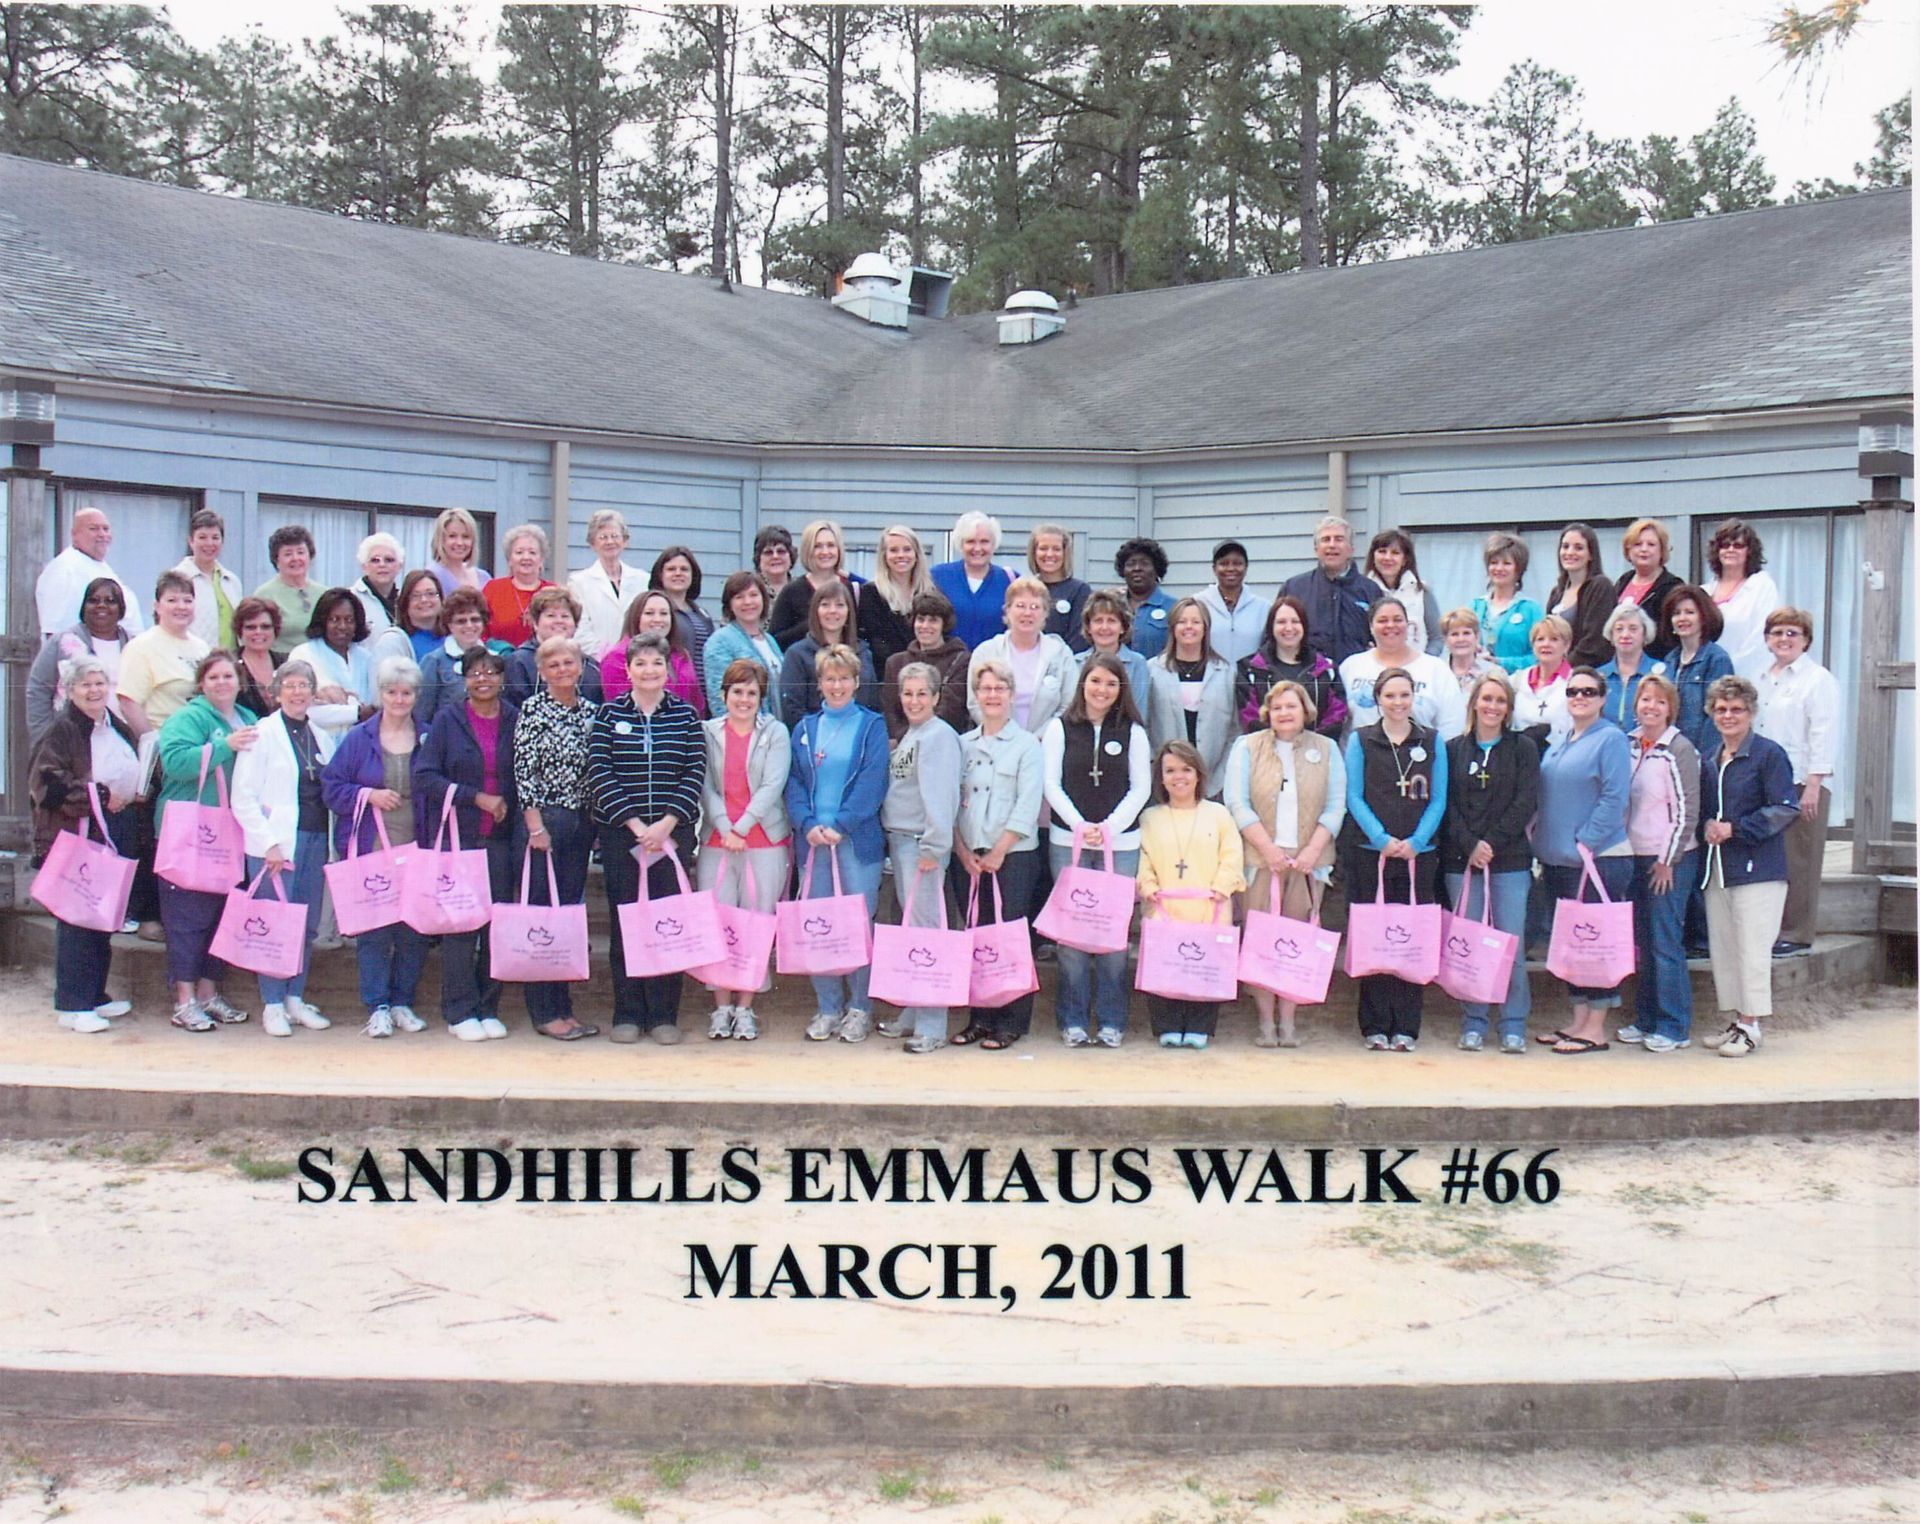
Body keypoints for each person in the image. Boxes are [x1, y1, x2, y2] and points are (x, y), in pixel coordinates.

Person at [587, 633, 705, 1043]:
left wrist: (667, 824)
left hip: (671, 838)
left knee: (667, 924)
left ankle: (663, 1015)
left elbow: (694, 774)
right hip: (624, 837)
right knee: (627, 925)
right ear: (628, 669)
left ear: (668, 670)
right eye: (641, 663)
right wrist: (637, 827)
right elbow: (600, 772)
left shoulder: (686, 717)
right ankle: (628, 1012)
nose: (649, 670)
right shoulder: (608, 715)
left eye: (657, 663)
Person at [1224, 680, 1346, 1048]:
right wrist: (1268, 848)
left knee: (1297, 942)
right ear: (1267, 713)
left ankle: (1289, 1022)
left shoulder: (1326, 749)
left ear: (1305, 709)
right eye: (1277, 708)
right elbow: (1237, 802)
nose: (1284, 713)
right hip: (1261, 861)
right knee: (1261, 942)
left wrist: (1311, 851)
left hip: (1309, 862)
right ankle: (1264, 1022)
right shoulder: (1247, 747)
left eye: (1291, 706)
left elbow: (1335, 805)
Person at [29, 654, 144, 1033]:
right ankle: (73, 1004)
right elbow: (45, 784)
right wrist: (99, 794)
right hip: (79, 834)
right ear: (69, 690)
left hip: (116, 827)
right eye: (85, 684)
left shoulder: (115, 725)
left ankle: (95, 995)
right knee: (77, 918)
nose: (94, 690)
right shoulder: (62, 730)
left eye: (99, 683)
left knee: (101, 916)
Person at [1042, 655, 1151, 1047]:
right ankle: (1072, 1019)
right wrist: (1079, 826)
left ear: (1120, 688)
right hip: (1068, 842)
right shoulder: (1059, 727)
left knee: (1112, 934)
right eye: (1095, 682)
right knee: (1070, 936)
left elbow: (1141, 788)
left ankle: (1112, 1020)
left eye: (1110, 683)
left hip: (1119, 845)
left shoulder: (1133, 731)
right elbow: (1051, 784)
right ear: (1082, 684)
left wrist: (1109, 829)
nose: (1101, 690)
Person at [321, 657, 431, 1039]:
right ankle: (378, 1006)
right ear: (380, 694)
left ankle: (402, 1001)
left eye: (406, 692)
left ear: (416, 695)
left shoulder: (427, 736)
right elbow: (332, 786)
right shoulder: (359, 737)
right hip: (371, 846)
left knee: (413, 929)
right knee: (375, 930)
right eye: (391, 692)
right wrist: (367, 794)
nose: (399, 699)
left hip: (417, 845)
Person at [785, 644, 891, 1041]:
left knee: (858, 925)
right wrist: (807, 822)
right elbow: (793, 781)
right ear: (820, 683)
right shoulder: (805, 729)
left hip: (854, 841)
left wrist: (842, 824)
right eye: (829, 678)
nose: (837, 685)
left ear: (856, 682)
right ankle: (828, 1007)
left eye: (844, 678)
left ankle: (860, 1007)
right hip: (812, 843)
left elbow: (873, 780)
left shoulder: (872, 726)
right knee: (820, 927)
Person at [1340, 668, 1447, 1052]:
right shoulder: (1362, 740)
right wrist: (1381, 838)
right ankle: (1374, 1025)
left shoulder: (1432, 741)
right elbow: (1354, 796)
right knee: (1375, 939)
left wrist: (1418, 840)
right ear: (1378, 699)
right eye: (1390, 696)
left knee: (1410, 939)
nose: (1398, 703)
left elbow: (1439, 798)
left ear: (1413, 698)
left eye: (1405, 695)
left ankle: (1406, 1025)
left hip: (1420, 855)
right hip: (1373, 855)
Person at [416, 648, 518, 1041]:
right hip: (462, 838)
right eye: (475, 672)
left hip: (504, 840)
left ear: (502, 678)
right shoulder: (448, 720)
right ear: (464, 678)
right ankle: (459, 1010)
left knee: (496, 926)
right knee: (461, 927)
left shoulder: (514, 717)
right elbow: (425, 776)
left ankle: (488, 1006)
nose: (484, 679)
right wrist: (474, 797)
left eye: (491, 672)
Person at [230, 661, 336, 1037]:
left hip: (314, 839)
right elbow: (242, 797)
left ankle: (295, 996)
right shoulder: (262, 733)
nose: (297, 692)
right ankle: (272, 1003)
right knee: (274, 925)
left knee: (305, 925)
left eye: (304, 685)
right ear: (276, 692)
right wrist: (267, 843)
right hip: (275, 846)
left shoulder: (321, 736)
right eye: (289, 685)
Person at [155, 651, 259, 1031]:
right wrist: (224, 746)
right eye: (213, 677)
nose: (221, 683)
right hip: (191, 836)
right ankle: (183, 1001)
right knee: (187, 919)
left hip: (231, 834)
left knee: (222, 918)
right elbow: (176, 762)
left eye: (228, 676)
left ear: (239, 680)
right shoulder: (188, 718)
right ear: (201, 683)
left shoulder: (249, 718)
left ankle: (208, 994)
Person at [1531, 666, 1633, 1054]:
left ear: (1603, 698)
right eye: (1573, 691)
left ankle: (1596, 1027)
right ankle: (1578, 1020)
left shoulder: (1611, 739)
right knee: (1574, 946)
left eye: (1589, 692)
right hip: (1560, 863)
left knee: (1596, 944)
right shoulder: (1561, 741)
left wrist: (1585, 842)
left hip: (1598, 861)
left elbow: (1614, 797)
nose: (1580, 697)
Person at [1696, 675, 1798, 1059]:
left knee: (1753, 949)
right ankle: (1739, 1021)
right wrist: (1707, 825)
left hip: (1760, 870)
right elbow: (1708, 811)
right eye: (1721, 709)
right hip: (1719, 869)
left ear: (1751, 712)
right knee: (1726, 949)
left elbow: (1784, 808)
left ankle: (1753, 1025)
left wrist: (1735, 829)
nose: (1728, 715)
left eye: (1736, 708)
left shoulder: (1769, 754)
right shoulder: (1710, 757)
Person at [1440, 673, 1538, 1055]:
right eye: (1486, 699)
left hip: (1508, 860)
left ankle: (1513, 1022)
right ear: (1474, 704)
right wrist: (1470, 844)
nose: (1492, 707)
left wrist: (1491, 843)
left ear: (1509, 709)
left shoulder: (1523, 748)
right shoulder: (1453, 749)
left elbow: (1525, 801)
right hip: (1462, 861)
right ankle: (1474, 1020)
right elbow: (1446, 805)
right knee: (1471, 946)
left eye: (1500, 701)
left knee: (1510, 944)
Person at [951, 658, 1045, 1050]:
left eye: (1000, 689)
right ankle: (980, 1017)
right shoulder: (962, 745)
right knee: (977, 936)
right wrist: (961, 850)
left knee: (1010, 936)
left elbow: (1027, 803)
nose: (992, 695)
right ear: (977, 696)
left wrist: (1000, 850)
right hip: (968, 858)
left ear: (1011, 695)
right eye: (986, 689)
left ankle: (1011, 1020)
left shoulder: (1026, 745)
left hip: (1013, 857)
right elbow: (950, 802)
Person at [698, 658, 792, 1042]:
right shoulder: (706, 732)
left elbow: (774, 784)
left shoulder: (776, 733)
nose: (744, 699)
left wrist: (743, 826)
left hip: (763, 841)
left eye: (752, 693)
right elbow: (703, 784)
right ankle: (720, 1007)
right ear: (724, 695)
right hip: (717, 843)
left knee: (755, 924)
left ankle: (745, 1007)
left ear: (761, 698)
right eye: (737, 691)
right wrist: (725, 826)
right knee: (717, 925)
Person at [512, 635, 601, 1041]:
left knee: (565, 917)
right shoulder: (532, 710)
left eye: (570, 662)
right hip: (547, 823)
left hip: (581, 824)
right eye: (554, 665)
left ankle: (564, 1007)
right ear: (542, 671)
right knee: (543, 918)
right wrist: (535, 827)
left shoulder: (591, 712)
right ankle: (545, 1010)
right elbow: (524, 772)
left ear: (580, 666)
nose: (563, 670)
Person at [1137, 740, 1243, 1049]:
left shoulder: (1218, 814)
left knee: (1203, 963)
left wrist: (1222, 887)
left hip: (1209, 904)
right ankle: (1167, 1025)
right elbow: (1142, 856)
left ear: (1198, 775)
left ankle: (1199, 1025)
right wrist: (1148, 885)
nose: (1178, 777)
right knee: (1166, 963)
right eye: (1170, 771)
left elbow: (1232, 854)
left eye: (1186, 769)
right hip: (1165, 904)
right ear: (1160, 777)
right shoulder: (1150, 817)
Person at [881, 663, 965, 1054]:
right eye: (907, 693)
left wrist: (934, 846)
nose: (913, 701)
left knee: (928, 933)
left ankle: (932, 1023)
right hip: (902, 841)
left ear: (935, 697)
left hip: (920, 844)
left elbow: (940, 795)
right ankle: (914, 1010)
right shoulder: (915, 734)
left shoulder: (938, 737)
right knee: (913, 930)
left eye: (921, 694)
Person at [1619, 674, 1701, 1054]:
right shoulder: (1629, 743)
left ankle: (1674, 1024)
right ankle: (1646, 1018)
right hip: (1633, 854)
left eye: (1659, 702)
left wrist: (1669, 860)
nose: (1650, 707)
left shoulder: (1679, 749)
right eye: (1645, 700)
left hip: (1669, 858)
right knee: (1643, 941)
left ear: (1671, 708)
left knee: (1665, 941)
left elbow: (1687, 811)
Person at [1755, 606, 1840, 957]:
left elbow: (1824, 734)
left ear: (1806, 640)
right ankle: (1769, 930)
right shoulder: (1760, 677)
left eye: (1793, 633)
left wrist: (1814, 785)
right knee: (1770, 859)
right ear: (1766, 639)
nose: (1784, 639)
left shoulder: (1817, 680)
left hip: (1802, 782)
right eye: (1778, 633)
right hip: (1765, 780)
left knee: (1799, 860)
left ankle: (1796, 932)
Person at [1143, 597, 1235, 797]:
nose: (1189, 627)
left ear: (1205, 628)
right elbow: (1145, 723)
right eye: (1182, 622)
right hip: (1165, 782)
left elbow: (1234, 730)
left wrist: (1221, 776)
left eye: (1195, 621)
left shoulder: (1226, 672)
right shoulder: (1152, 670)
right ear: (1173, 628)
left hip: (1215, 782)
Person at [1338, 598, 1466, 740]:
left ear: (1408, 625)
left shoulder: (1436, 669)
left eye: (1398, 620)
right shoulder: (1350, 667)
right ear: (1371, 627)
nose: (1391, 625)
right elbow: (1339, 721)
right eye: (1383, 620)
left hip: (1419, 758)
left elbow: (1452, 726)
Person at [27, 577, 135, 745]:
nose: (101, 605)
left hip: (122, 739)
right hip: (71, 742)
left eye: (110, 601)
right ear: (83, 607)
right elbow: (38, 690)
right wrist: (44, 740)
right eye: (93, 600)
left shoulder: (134, 645)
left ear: (121, 608)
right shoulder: (62, 642)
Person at [968, 576, 1078, 735]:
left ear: (1045, 613)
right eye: (1020, 606)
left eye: (1035, 607)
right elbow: (974, 703)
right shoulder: (986, 652)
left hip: (1045, 745)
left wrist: (1037, 739)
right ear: (1007, 610)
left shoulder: (1061, 653)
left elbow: (1068, 705)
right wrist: (1007, 737)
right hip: (997, 743)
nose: (1028, 613)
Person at [1233, 592, 1345, 739]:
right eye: (1281, 622)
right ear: (1270, 627)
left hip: (1316, 754)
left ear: (1304, 626)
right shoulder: (1249, 669)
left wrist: (1309, 743)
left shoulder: (1327, 669)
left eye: (1295, 621)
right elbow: (1249, 716)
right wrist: (1280, 743)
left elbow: (1337, 714)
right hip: (1266, 753)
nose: (1289, 628)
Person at [116, 571, 210, 739]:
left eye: (187, 600)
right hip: (167, 745)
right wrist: (154, 745)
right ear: (157, 606)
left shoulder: (202, 647)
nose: (181, 606)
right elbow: (128, 703)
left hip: (202, 744)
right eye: (172, 600)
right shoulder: (141, 647)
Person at [1280, 517, 1382, 669]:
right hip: (1308, 679)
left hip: (1356, 679)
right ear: (1316, 549)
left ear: (1351, 549)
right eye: (1326, 539)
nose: (1332, 545)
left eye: (1339, 539)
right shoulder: (1294, 588)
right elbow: (1274, 638)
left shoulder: (1370, 590)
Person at [36, 506, 144, 640]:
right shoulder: (64, 569)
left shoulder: (100, 567)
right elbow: (57, 632)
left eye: (106, 529)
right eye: (93, 529)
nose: (102, 534)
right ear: (75, 534)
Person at [780, 581, 877, 727]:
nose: (833, 611)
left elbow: (873, 704)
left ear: (849, 611)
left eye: (840, 605)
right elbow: (792, 708)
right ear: (815, 611)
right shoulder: (797, 654)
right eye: (825, 605)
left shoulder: (863, 653)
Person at [286, 588, 374, 738]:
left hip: (361, 747)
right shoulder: (303, 655)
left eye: (349, 620)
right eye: (334, 619)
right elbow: (302, 710)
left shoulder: (366, 658)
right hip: (315, 746)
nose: (342, 626)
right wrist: (357, 713)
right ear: (323, 621)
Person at [882, 591, 969, 741]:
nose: (925, 626)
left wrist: (920, 739)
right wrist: (906, 739)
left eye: (933, 620)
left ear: (944, 624)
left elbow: (951, 710)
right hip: (903, 747)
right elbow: (890, 713)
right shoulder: (894, 663)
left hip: (942, 742)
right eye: (920, 619)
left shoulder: (961, 660)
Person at [602, 588, 705, 713]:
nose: (658, 619)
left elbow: (697, 703)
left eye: (664, 613)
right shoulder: (616, 657)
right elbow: (619, 707)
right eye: (649, 613)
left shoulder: (682, 654)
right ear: (636, 617)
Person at [1704, 519, 1783, 679]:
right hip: (1707, 678)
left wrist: (1727, 670)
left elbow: (1762, 638)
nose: (1731, 549)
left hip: (1747, 679)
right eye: (1725, 545)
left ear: (1749, 551)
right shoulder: (1703, 592)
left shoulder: (1762, 586)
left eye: (1738, 545)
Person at [1661, 586, 1735, 755]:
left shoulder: (1717, 659)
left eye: (1689, 612)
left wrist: (1703, 759)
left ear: (1703, 617)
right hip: (1670, 752)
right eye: (1676, 613)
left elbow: (1718, 716)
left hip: (1701, 754)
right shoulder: (1670, 660)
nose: (1682, 618)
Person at [702, 570, 785, 718]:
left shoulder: (770, 640)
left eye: (753, 595)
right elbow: (719, 700)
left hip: (774, 733)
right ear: (730, 604)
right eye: (739, 597)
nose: (748, 602)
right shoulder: (720, 642)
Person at [505, 588, 604, 708]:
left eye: (565, 616)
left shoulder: (591, 666)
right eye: (551, 615)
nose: (559, 621)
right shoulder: (518, 662)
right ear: (536, 623)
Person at [568, 509, 645, 659]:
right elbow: (580, 631)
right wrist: (613, 657)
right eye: (603, 537)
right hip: (597, 663)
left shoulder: (643, 580)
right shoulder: (578, 582)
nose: (610, 542)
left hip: (639, 662)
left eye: (615, 536)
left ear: (625, 541)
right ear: (592, 544)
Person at [930, 511, 1014, 650]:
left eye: (984, 542)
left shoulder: (1010, 580)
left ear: (994, 544)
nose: (977, 548)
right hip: (949, 666)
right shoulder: (938, 577)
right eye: (970, 541)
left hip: (994, 667)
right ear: (960, 544)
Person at [417, 587, 496, 727]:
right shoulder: (434, 662)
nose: (469, 625)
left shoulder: (496, 660)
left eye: (475, 619)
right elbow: (421, 715)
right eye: (461, 621)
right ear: (449, 625)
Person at [769, 520, 853, 650]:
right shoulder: (791, 591)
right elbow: (775, 641)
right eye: (817, 546)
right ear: (808, 550)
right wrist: (813, 624)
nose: (825, 552)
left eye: (831, 545)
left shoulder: (851, 589)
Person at [859, 525, 931, 675]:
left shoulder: (930, 592)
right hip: (887, 677)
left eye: (907, 549)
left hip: (925, 676)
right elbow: (877, 642)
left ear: (917, 554)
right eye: (893, 550)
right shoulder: (871, 593)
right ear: (884, 556)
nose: (901, 555)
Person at [1472, 532, 1544, 674]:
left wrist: (1501, 662)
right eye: (1494, 562)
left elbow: (1540, 656)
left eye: (1506, 563)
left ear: (1519, 569)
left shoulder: (1531, 610)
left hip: (1518, 685)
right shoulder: (1475, 606)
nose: (1499, 568)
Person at [1613, 519, 1684, 660]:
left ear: (1662, 550)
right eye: (1638, 544)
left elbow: (1672, 637)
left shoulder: (1672, 587)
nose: (1644, 549)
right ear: (1628, 550)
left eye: (1651, 544)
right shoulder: (1623, 581)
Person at [1546, 523, 1614, 668]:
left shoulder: (1600, 587)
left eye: (1578, 547)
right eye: (1565, 546)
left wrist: (1563, 669)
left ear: (1591, 554)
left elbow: (1595, 642)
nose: (1570, 552)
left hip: (1587, 675)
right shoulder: (1556, 593)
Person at [174, 508, 244, 649]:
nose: (209, 543)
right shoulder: (177, 578)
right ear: (191, 541)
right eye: (202, 537)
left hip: (230, 663)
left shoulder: (231, 581)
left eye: (215, 537)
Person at [1364, 529, 1441, 655]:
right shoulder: (1361, 591)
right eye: (1382, 552)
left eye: (1395, 553)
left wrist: (1422, 664)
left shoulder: (1421, 591)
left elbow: (1437, 638)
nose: (1388, 558)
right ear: (1373, 556)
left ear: (1405, 559)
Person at [1074, 588, 1153, 703]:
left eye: (1111, 621)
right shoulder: (1076, 663)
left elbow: (1139, 710)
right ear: (1089, 627)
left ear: (1122, 627)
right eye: (1098, 620)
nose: (1104, 627)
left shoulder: (1137, 664)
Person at [252, 525, 320, 659]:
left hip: (318, 664)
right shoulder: (264, 595)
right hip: (279, 663)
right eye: (288, 554)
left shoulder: (324, 593)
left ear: (310, 556)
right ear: (276, 560)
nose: (295, 558)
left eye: (300, 552)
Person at [1195, 539, 1266, 665]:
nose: (1231, 568)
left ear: (1246, 567)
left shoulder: (1263, 608)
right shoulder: (1198, 604)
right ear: (1214, 568)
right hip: (1209, 681)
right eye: (1224, 563)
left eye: (1238, 563)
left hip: (1249, 682)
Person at [483, 524, 556, 647]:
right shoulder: (493, 589)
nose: (526, 557)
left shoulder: (553, 592)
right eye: (519, 552)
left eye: (532, 552)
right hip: (499, 660)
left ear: (541, 559)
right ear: (510, 559)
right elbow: (481, 631)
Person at [1597, 604, 1667, 730]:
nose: (1625, 635)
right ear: (1611, 635)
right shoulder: (1598, 676)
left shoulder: (1662, 673)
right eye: (1619, 629)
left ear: (1645, 634)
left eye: (1633, 629)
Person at [1512, 615, 1575, 752]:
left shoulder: (1575, 683)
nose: (1546, 644)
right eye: (1540, 639)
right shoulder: (1517, 680)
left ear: (1566, 645)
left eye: (1554, 639)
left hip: (1560, 758)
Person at [651, 545, 714, 677]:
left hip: (702, 690)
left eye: (684, 569)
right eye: (671, 569)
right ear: (660, 575)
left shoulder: (702, 614)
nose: (678, 573)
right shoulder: (654, 613)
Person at [1029, 524, 1090, 653]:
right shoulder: (1026, 589)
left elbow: (1079, 638)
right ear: (1034, 552)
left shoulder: (1079, 591)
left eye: (1056, 549)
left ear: (1065, 553)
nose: (1049, 554)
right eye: (1043, 548)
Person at [1114, 537, 1175, 659]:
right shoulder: (1113, 606)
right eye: (1131, 564)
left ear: (1157, 569)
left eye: (1144, 563)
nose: (1137, 568)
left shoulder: (1173, 608)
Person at [371, 570, 444, 668]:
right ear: (405, 603)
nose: (424, 600)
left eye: (430, 593)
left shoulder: (454, 637)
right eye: (415, 596)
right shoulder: (392, 642)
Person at [231, 598, 284, 720]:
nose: (258, 632)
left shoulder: (286, 663)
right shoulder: (229, 665)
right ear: (240, 630)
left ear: (275, 630)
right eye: (251, 627)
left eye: (265, 627)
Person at [348, 532, 405, 642]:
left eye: (389, 560)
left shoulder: (405, 600)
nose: (382, 565)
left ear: (399, 566)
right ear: (364, 566)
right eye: (375, 560)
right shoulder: (350, 599)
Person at [429, 507, 491, 595]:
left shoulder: (484, 578)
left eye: (465, 536)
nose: (459, 543)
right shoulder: (432, 576)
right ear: (441, 540)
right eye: (452, 536)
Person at [1441, 607, 1500, 695]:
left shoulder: (1494, 673)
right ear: (1445, 640)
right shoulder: (1437, 672)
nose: (1461, 639)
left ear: (1477, 637)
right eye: (1454, 634)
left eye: (1466, 633)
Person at [754, 524, 795, 599]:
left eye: (781, 551)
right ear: (758, 558)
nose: (775, 556)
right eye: (768, 552)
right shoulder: (750, 591)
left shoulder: (801, 590)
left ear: (791, 556)